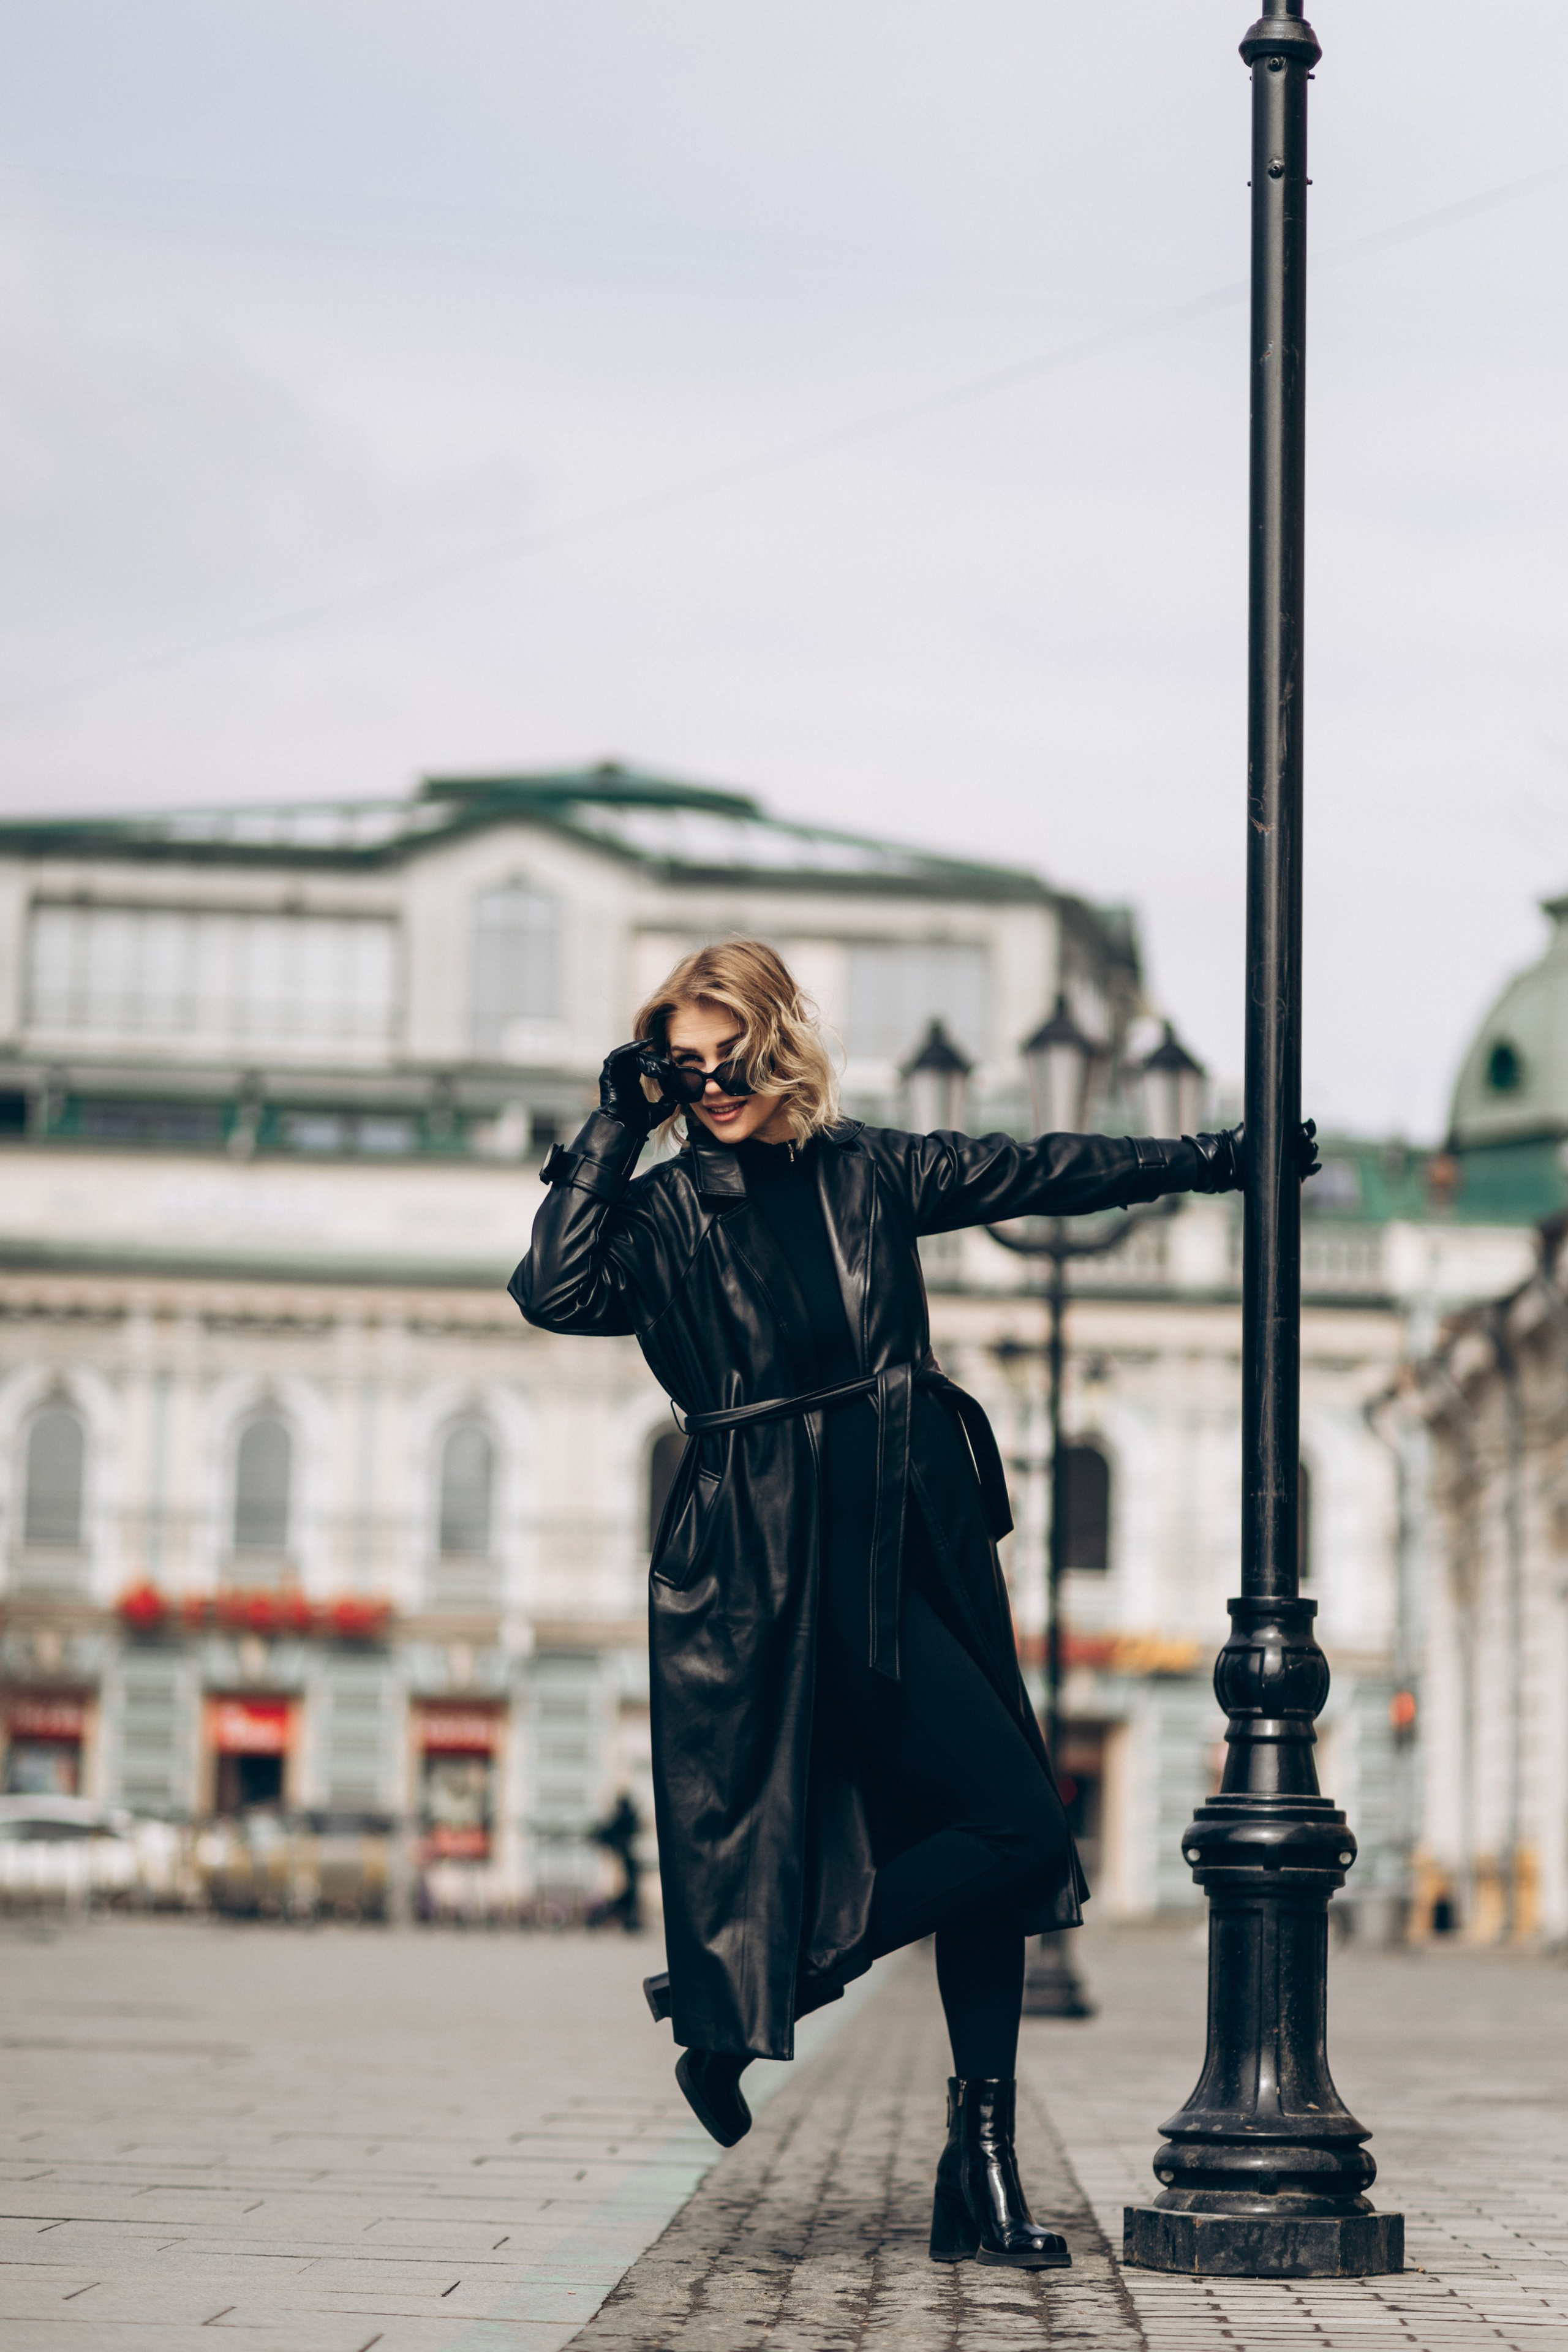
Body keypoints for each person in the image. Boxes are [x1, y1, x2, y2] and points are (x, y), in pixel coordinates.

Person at [511, 938, 1316, 2272]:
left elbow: (1042, 1171)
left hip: (917, 1546)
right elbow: (553, 1289)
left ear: (779, 1043)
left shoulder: (867, 1170)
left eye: (730, 1056)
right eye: (684, 1066)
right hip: (768, 1573)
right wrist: (612, 1126)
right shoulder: (661, 1213)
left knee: (994, 1834)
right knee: (1015, 1826)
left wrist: (1215, 1158)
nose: (711, 1085)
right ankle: (779, 2001)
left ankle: (965, 2163)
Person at [590, 1790, 645, 1933]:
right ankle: (629, 1920)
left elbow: (609, 1833)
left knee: (628, 1892)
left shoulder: (625, 1818)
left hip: (626, 1861)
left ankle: (630, 1920)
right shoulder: (627, 1818)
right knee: (628, 1891)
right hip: (625, 1861)